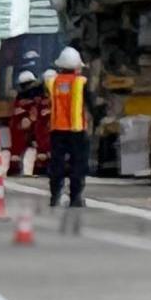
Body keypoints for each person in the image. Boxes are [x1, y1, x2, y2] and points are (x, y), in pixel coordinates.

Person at [45, 47, 92, 208]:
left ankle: (55, 196)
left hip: (57, 130)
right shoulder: (81, 82)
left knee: (57, 164)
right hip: (76, 131)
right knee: (78, 164)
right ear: (77, 66)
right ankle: (75, 197)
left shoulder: (52, 82)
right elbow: (91, 104)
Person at [7, 70, 49, 176]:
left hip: (24, 126)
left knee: (18, 146)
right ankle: (40, 167)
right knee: (43, 145)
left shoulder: (21, 98)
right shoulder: (41, 97)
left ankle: (15, 167)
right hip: (36, 125)